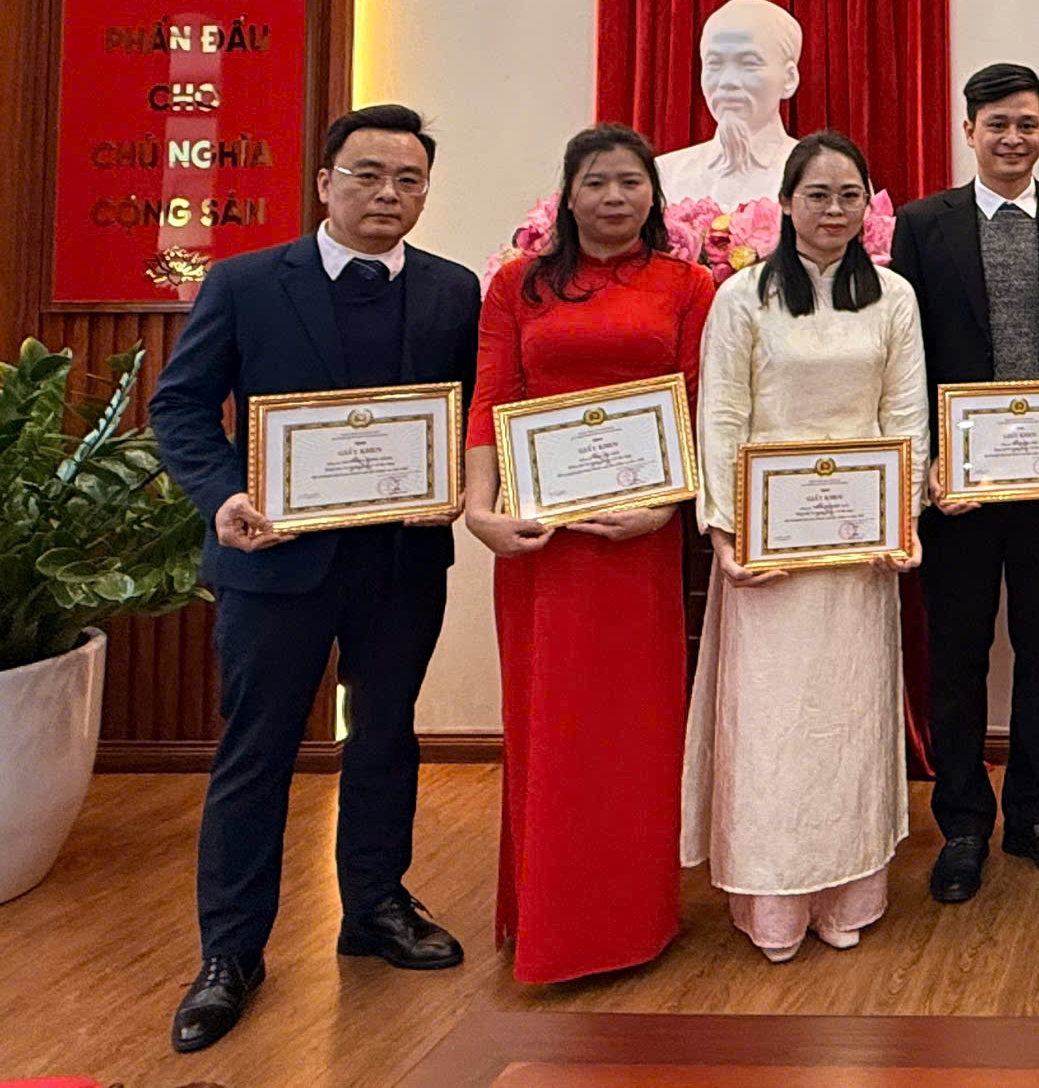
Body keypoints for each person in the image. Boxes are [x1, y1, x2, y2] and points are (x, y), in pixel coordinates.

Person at [152, 105, 480, 1055]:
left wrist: (459, 487)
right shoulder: (248, 283)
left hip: (400, 562)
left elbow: (472, 414)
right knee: (255, 753)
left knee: (386, 737)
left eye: (409, 180)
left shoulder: (454, 289)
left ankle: (374, 906)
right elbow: (180, 407)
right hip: (273, 562)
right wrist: (223, 496)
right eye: (368, 175)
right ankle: (230, 952)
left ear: (426, 192)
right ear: (325, 182)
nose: (388, 194)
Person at [463, 124, 717, 983]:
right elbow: (490, 399)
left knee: (633, 734)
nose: (614, 197)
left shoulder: (688, 284)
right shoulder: (517, 285)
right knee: (550, 728)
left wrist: (667, 507)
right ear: (568, 195)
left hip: (638, 542)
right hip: (540, 544)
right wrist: (479, 511)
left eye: (630, 182)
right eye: (597, 182)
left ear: (654, 196)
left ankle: (632, 922)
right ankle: (550, 922)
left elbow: (698, 405)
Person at [682, 133, 928, 960]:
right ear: (785, 204)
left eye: (849, 195)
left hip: (859, 550)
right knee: (774, 725)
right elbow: (721, 415)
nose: (833, 210)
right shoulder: (742, 298)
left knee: (849, 720)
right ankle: (774, 902)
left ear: (868, 207)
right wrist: (726, 532)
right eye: (817, 194)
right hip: (769, 553)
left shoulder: (893, 297)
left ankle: (849, 890)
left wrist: (902, 521)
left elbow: (905, 416)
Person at [889, 63, 1039, 903]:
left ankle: (1034, 815)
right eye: (997, 124)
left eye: (1027, 123)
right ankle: (963, 824)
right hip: (958, 489)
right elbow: (906, 356)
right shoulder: (923, 225)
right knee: (956, 658)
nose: (1012, 138)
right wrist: (925, 464)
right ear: (969, 132)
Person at [655, 0, 803, 209]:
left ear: (789, 79)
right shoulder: (666, 175)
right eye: (714, 64)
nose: (727, 81)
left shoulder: (817, 176)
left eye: (749, 63)